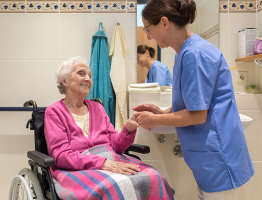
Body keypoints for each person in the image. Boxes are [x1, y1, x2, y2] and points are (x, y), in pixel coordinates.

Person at [133, 0, 254, 199]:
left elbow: (197, 115)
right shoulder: (184, 53)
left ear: (164, 22)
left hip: (218, 159)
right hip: (210, 158)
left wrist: (155, 120)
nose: (148, 36)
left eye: (148, 28)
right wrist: (163, 112)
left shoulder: (195, 54)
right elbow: (194, 101)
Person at [44, 56, 174, 200]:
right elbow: (61, 156)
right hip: (76, 169)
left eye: (90, 75)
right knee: (117, 186)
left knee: (154, 177)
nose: (88, 78)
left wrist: (128, 129)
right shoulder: (54, 112)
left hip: (110, 159)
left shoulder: (97, 108)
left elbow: (116, 146)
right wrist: (103, 163)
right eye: (82, 73)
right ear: (65, 80)